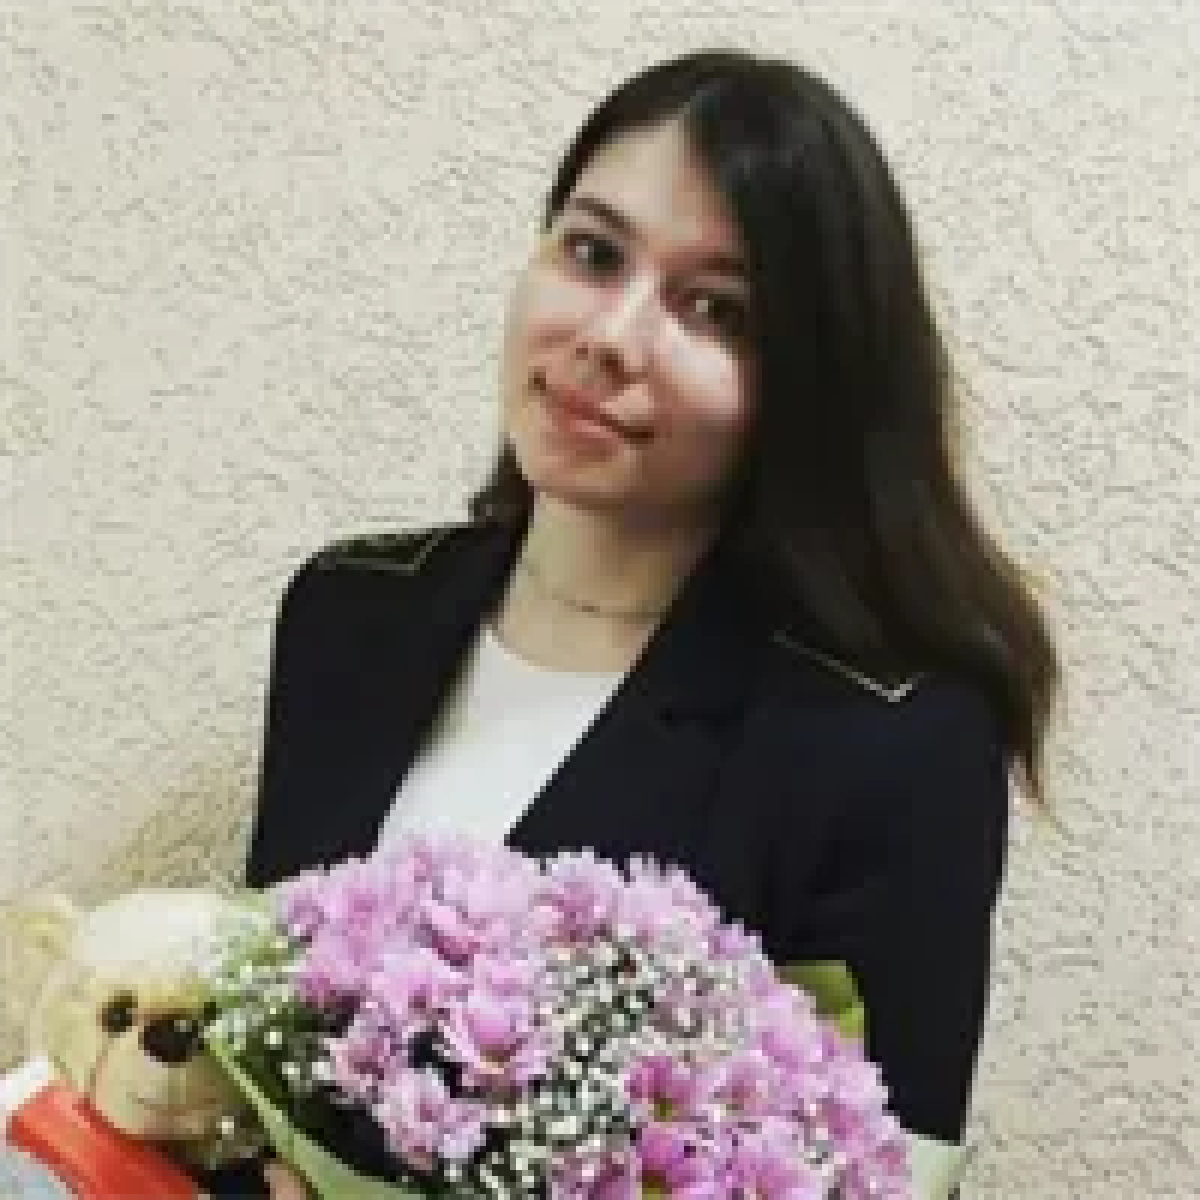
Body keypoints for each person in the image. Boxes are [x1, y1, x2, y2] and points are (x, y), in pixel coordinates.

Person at [215, 48, 1059, 1199]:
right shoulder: (351, 611)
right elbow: (263, 1039)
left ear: (809, 382)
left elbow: (882, 1169)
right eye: (592, 252)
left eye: (716, 309)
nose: (612, 335)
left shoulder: (885, 742)